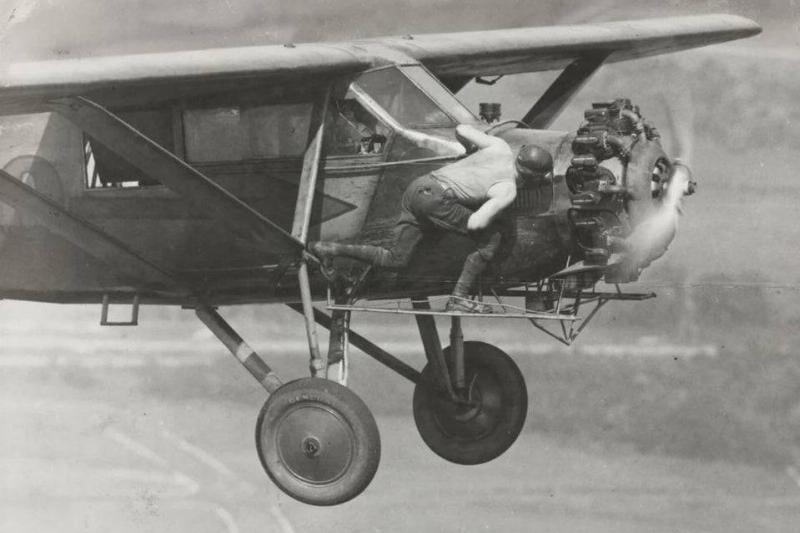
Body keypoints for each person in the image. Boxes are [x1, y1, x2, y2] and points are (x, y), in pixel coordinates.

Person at [311, 125, 554, 312]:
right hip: (437, 201)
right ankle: (459, 298)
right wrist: (490, 215)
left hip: (418, 187)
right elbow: (474, 223)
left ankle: (329, 248)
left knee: (395, 259)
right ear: (533, 179)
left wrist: (471, 153)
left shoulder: (499, 147)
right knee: (490, 240)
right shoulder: (507, 189)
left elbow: (462, 130)